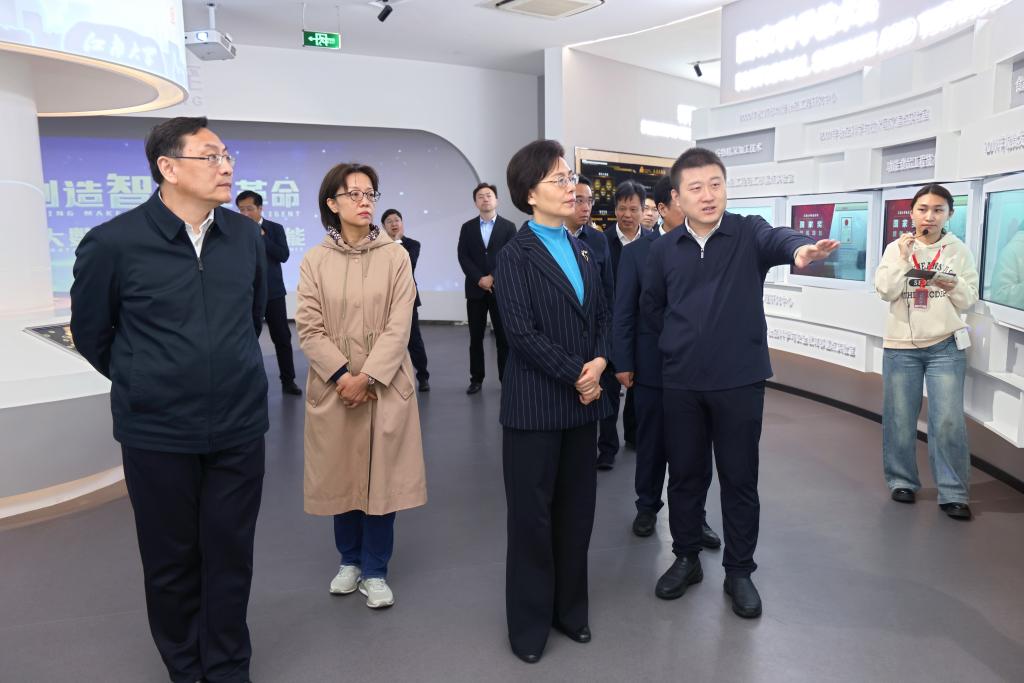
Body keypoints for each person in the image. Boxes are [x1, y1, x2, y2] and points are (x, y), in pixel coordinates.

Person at [70, 116, 269, 683]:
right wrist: (146, 380)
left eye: (227, 155)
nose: (226, 166)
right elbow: (92, 334)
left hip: (238, 427)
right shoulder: (113, 243)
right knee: (171, 560)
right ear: (169, 167)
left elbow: (252, 317)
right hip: (157, 433)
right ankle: (185, 667)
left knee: (231, 555)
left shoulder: (245, 238)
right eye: (211, 156)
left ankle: (228, 668)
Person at [640, 147, 838, 619]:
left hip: (739, 382)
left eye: (716, 184)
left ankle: (739, 571)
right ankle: (686, 557)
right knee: (684, 475)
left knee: (739, 478)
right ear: (677, 197)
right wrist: (680, 346)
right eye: (696, 187)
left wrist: (800, 250)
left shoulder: (748, 232)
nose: (708, 195)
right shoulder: (663, 250)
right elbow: (652, 308)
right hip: (682, 383)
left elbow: (780, 238)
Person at [495, 139, 611, 664]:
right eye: (559, 180)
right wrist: (577, 375)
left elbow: (603, 315)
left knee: (576, 514)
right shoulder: (514, 255)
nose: (571, 187)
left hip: (583, 406)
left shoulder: (585, 248)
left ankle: (570, 610)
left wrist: (600, 362)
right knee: (532, 519)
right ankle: (530, 623)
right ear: (529, 193)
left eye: (570, 177)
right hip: (535, 408)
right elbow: (521, 333)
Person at [296, 163, 427, 609]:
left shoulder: (395, 256)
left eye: (370, 193)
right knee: (342, 475)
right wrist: (342, 376)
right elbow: (309, 326)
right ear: (331, 204)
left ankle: (375, 569)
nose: (364, 201)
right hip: (334, 385)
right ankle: (349, 560)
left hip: (384, 383)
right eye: (353, 194)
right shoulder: (315, 260)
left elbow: (399, 324)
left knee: (383, 479)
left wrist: (368, 376)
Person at [612, 174, 721, 556]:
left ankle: (696, 517)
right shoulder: (637, 253)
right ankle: (647, 506)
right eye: (682, 198)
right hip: (652, 367)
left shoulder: (706, 249)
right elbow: (623, 311)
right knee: (652, 443)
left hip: (698, 371)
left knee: (696, 450)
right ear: (662, 208)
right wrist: (624, 361)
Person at [874, 183, 979, 520]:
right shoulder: (896, 248)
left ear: (949, 214)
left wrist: (952, 283)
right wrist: (903, 259)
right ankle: (902, 480)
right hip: (900, 347)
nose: (929, 216)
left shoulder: (958, 250)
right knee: (899, 417)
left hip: (945, 345)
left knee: (947, 420)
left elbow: (969, 299)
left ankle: (953, 493)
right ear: (912, 213)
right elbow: (885, 291)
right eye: (922, 209)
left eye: (937, 210)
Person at [566, 176, 617, 469]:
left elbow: (608, 291)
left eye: (589, 201)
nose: (585, 207)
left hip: (597, 331)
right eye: (579, 200)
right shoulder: (550, 241)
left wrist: (607, 336)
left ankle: (607, 448)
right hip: (568, 333)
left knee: (604, 388)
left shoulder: (598, 240)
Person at [599, 180, 649, 467]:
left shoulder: (654, 243)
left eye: (633, 209)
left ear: (643, 210)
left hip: (641, 329)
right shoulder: (600, 242)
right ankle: (607, 448)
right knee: (608, 388)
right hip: (608, 327)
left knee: (637, 387)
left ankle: (633, 435)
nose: (627, 214)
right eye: (621, 208)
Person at [236, 189, 302, 396]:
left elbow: (283, 255)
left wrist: (262, 237)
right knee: (247, 339)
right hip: (247, 293)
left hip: (273, 293)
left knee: (282, 337)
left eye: (249, 209)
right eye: (241, 210)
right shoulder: (235, 231)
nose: (245, 214)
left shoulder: (274, 228)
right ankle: (247, 383)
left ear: (260, 208)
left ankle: (288, 381)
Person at [457, 182, 516, 394]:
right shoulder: (467, 227)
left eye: (489, 195)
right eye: (480, 196)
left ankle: (506, 379)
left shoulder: (509, 227)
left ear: (496, 200)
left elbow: (511, 256)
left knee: (503, 338)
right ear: (476, 202)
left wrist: (493, 277)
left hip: (500, 290)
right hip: (475, 290)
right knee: (475, 338)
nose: (485, 199)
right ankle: (476, 379)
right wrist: (479, 278)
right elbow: (463, 256)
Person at [382, 208, 430, 392]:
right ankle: (387, 377)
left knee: (414, 339)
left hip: (407, 299)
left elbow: (408, 264)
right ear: (383, 226)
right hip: (385, 299)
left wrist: (395, 243)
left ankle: (423, 376)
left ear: (402, 223)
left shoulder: (412, 244)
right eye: (389, 221)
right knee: (386, 339)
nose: (393, 224)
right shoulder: (378, 246)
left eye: (396, 220)